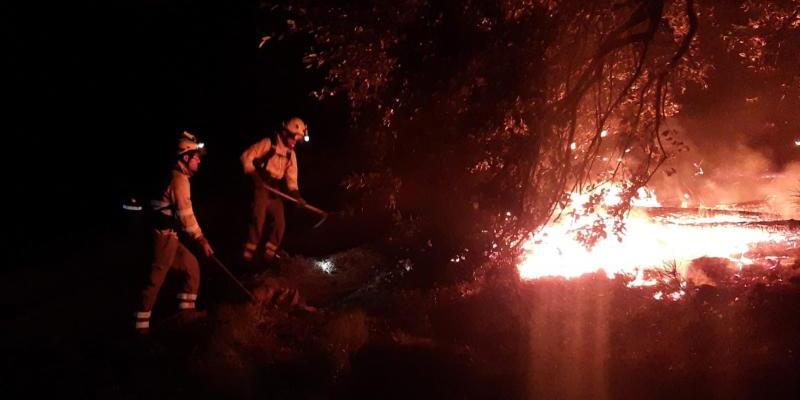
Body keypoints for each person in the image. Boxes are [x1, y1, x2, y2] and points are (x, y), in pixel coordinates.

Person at [133, 131, 214, 332]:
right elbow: (187, 217)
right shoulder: (179, 180)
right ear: (185, 158)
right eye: (196, 157)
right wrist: (202, 240)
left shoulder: (178, 176)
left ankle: (185, 316)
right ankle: (139, 329)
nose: (199, 161)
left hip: (170, 236)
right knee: (154, 281)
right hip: (163, 237)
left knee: (191, 267)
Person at [240, 117, 309, 267]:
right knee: (258, 219)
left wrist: (296, 196)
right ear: (285, 133)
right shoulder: (268, 144)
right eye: (293, 137)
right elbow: (245, 157)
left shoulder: (291, 154)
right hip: (260, 186)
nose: (294, 142)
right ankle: (246, 258)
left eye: (297, 139)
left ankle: (268, 258)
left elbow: (291, 179)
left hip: (274, 189)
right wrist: (255, 177)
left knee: (280, 223)